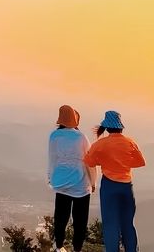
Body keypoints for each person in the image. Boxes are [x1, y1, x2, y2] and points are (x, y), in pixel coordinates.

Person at [83, 110, 146, 252]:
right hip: (127, 187)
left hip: (109, 186)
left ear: (106, 127)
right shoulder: (130, 142)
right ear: (120, 126)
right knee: (128, 224)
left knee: (111, 225)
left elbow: (89, 162)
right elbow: (141, 162)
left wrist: (103, 161)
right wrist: (123, 163)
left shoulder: (101, 144)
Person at [47, 105, 95, 252]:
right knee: (80, 221)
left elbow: (52, 159)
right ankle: (77, 249)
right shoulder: (81, 137)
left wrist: (50, 177)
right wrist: (93, 182)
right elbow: (90, 161)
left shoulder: (54, 136)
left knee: (60, 218)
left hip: (61, 183)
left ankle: (59, 247)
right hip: (80, 185)